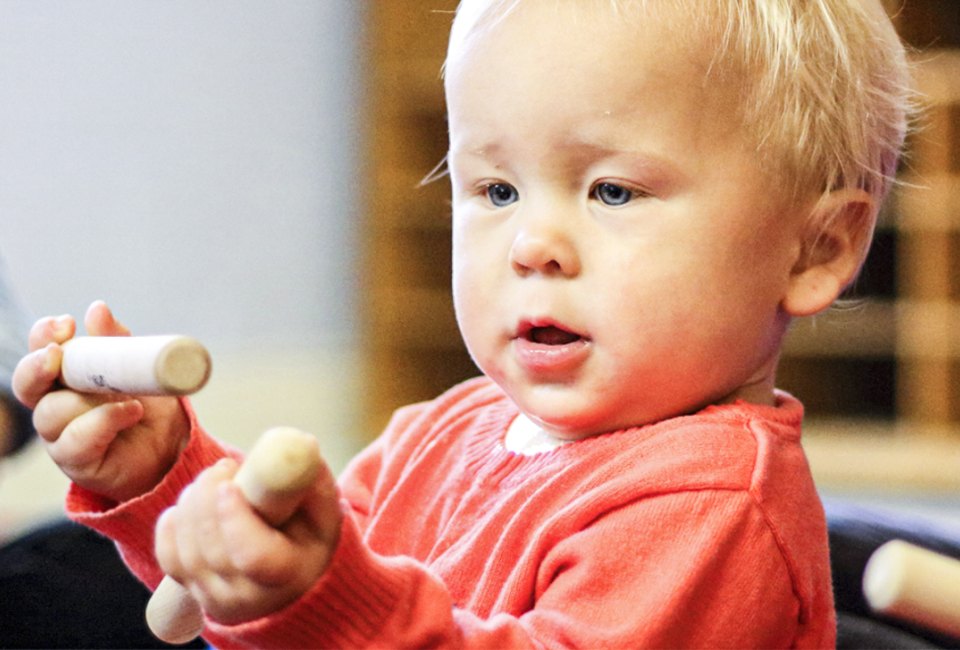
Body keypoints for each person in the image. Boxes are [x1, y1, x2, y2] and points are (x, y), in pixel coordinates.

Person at [12, 0, 912, 647]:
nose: (533, 244)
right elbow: (294, 578)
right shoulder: (444, 430)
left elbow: (343, 611)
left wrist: (321, 604)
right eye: (495, 189)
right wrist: (173, 482)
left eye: (612, 190)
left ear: (815, 250)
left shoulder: (712, 513)